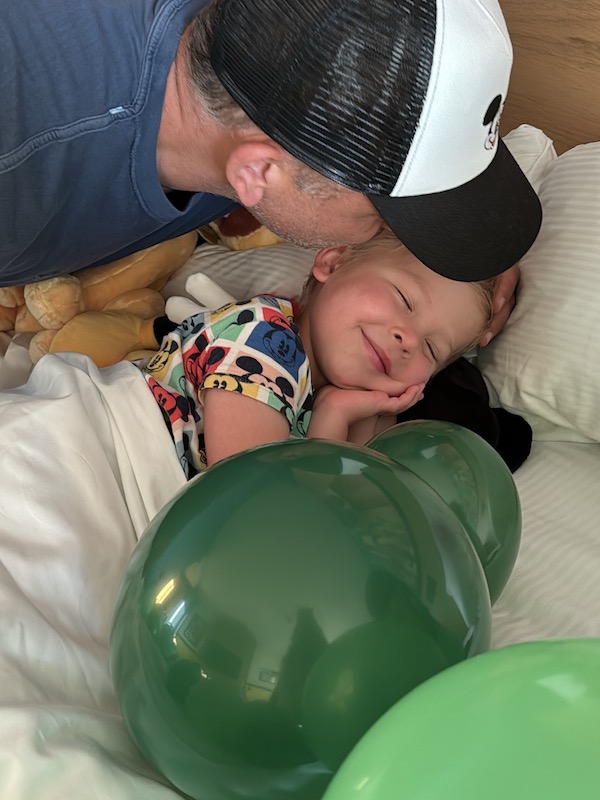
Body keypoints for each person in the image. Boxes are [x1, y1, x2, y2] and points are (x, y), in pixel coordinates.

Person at [1, 0, 540, 345]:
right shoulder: (22, 169)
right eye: (385, 216)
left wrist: (464, 252)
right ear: (257, 172)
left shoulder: (252, 54)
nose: (391, 232)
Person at [143, 232, 497, 477]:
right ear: (334, 262)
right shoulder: (264, 335)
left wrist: (349, 416)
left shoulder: (360, 412)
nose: (408, 339)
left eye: (431, 349)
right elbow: (259, 506)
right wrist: (331, 418)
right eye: (403, 299)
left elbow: (343, 507)